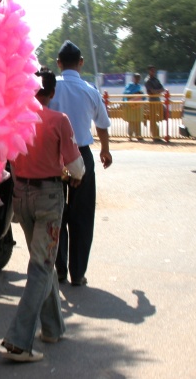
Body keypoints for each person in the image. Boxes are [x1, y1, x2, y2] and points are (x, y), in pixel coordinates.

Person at [1, 67, 85, 362]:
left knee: (43, 263)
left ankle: (52, 328)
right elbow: (76, 168)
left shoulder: (14, 119)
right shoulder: (58, 120)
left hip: (20, 196)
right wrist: (72, 174)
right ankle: (19, 339)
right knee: (40, 266)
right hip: (48, 198)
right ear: (50, 93)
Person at [50, 40, 112, 286]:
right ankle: (78, 272)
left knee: (56, 213)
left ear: (58, 63)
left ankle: (60, 269)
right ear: (81, 63)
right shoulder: (90, 90)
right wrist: (105, 151)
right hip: (82, 156)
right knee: (82, 215)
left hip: (54, 156)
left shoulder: (51, 87)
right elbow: (103, 124)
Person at [144, 65, 165, 141]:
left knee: (162, 114)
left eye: (154, 70)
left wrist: (157, 91)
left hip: (157, 100)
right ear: (149, 71)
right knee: (153, 119)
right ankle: (155, 136)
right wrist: (158, 91)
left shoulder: (156, 80)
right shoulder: (147, 80)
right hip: (152, 100)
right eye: (152, 70)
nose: (153, 72)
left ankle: (157, 135)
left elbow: (162, 89)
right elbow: (151, 91)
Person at [123, 73, 144, 140]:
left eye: (139, 78)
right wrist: (135, 93)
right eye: (136, 78)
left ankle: (138, 135)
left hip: (138, 105)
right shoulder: (129, 85)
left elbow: (142, 95)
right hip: (130, 105)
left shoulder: (139, 86)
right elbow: (126, 93)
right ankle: (130, 135)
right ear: (133, 78)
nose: (138, 80)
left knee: (138, 120)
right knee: (131, 120)